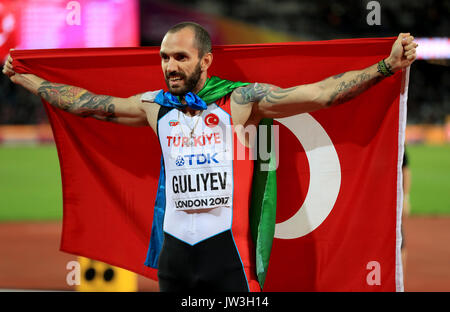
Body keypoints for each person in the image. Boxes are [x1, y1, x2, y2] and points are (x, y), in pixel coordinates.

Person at [2, 22, 418, 292]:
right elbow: (86, 103)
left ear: (205, 61)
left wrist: (385, 66)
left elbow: (321, 94)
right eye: (164, 57)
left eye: (180, 57)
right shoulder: (155, 107)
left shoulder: (239, 101)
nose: (169, 66)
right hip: (176, 258)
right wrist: (26, 77)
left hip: (229, 258)